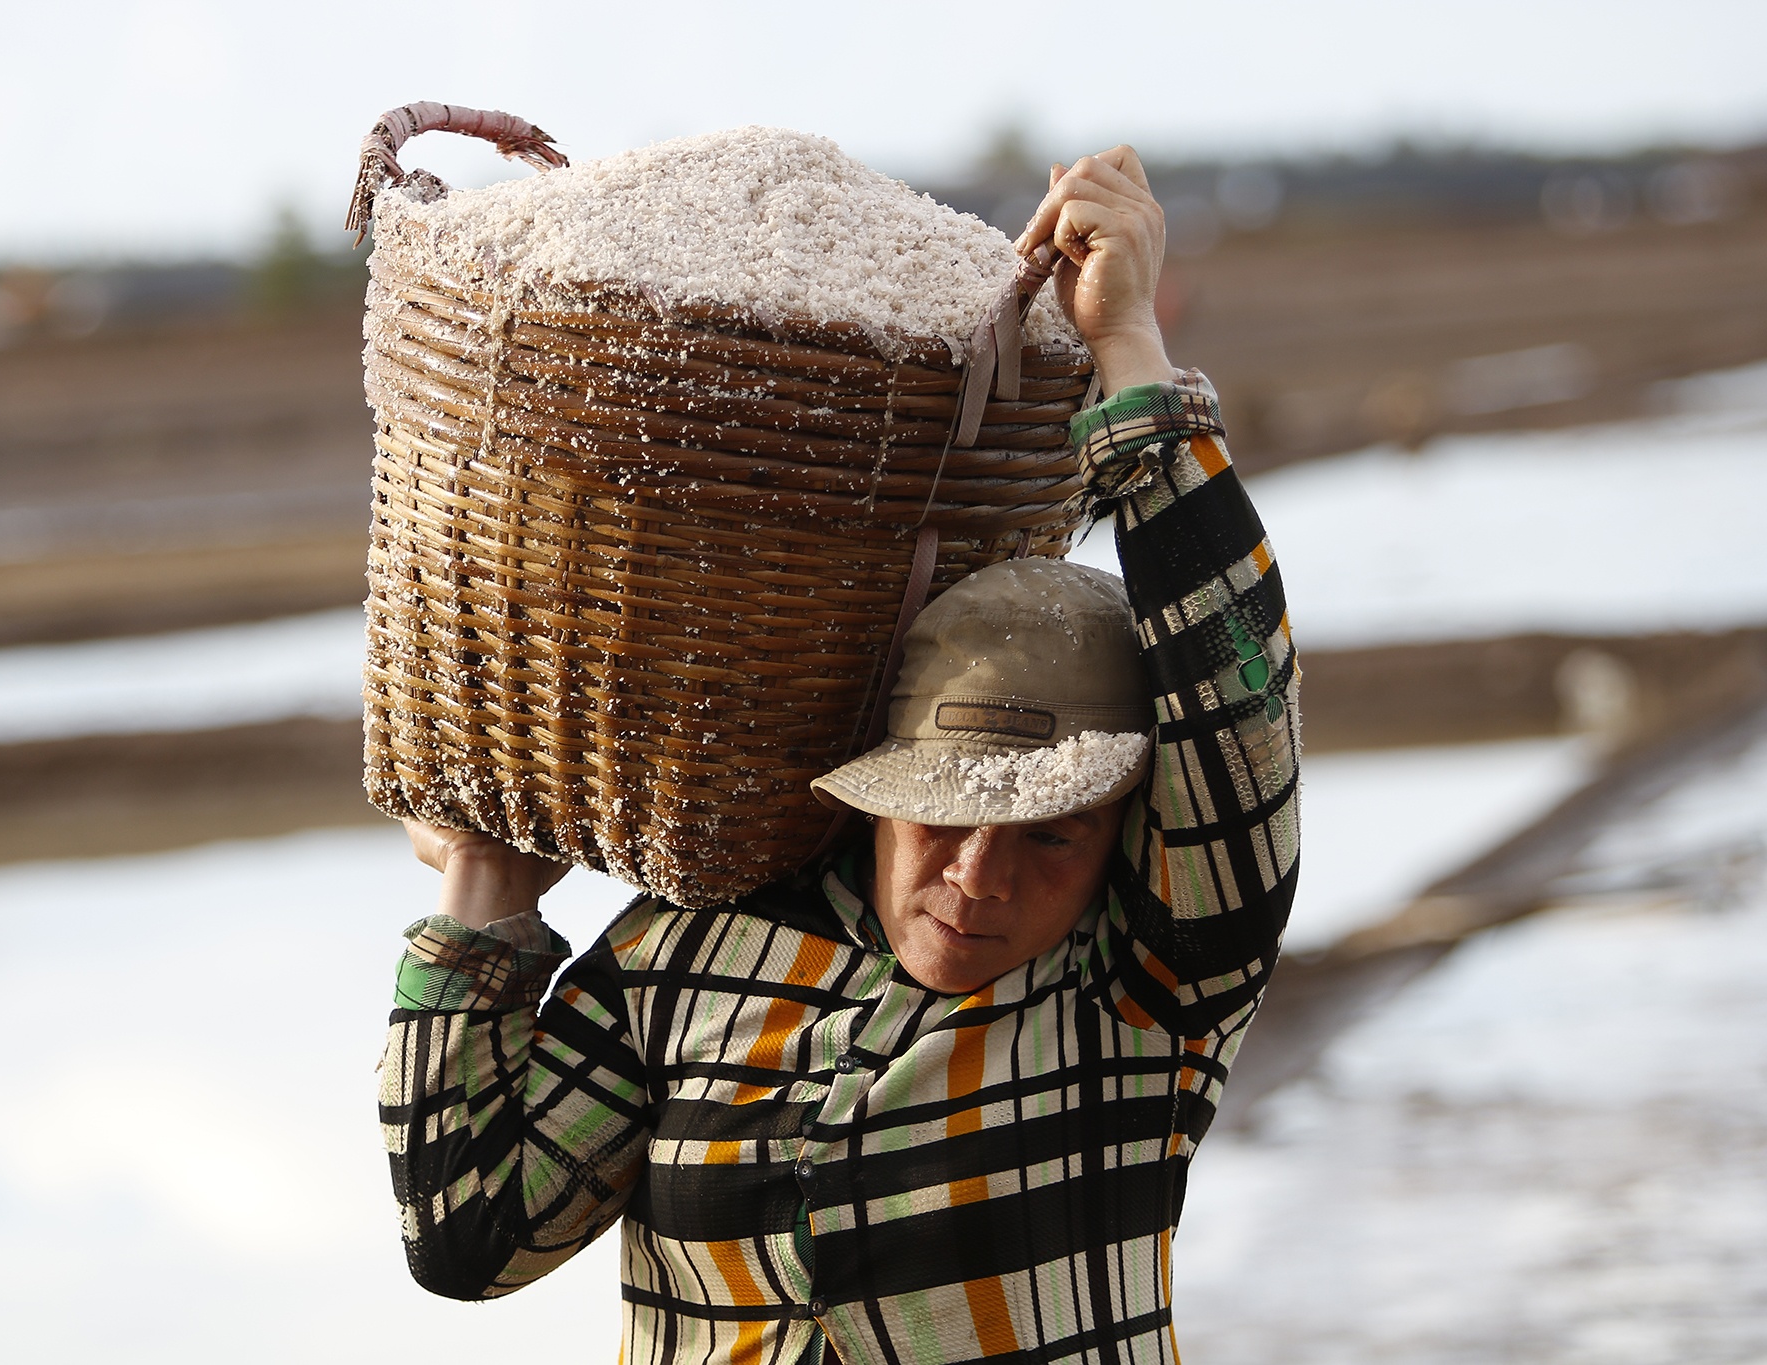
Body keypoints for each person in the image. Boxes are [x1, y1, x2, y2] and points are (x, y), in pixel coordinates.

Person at [381, 146, 1300, 1365]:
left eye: (1050, 836)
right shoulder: (690, 953)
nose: (978, 879)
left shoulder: (1141, 993)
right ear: (875, 795)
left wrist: (1126, 346)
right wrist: (486, 890)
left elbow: (1235, 694)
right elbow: (466, 1236)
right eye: (939, 819)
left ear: (1120, 832)